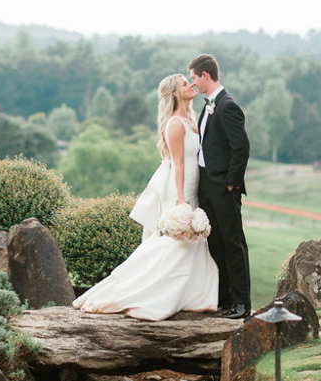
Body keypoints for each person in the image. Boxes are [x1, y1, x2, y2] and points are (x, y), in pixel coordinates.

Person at [72, 74, 218, 321]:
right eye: (185, 83)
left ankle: (191, 295)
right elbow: (178, 164)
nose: (190, 85)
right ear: (174, 93)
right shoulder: (175, 124)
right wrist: (181, 200)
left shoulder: (191, 120)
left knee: (188, 242)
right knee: (172, 242)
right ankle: (141, 292)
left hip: (194, 186)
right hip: (179, 187)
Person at [189, 53, 251, 319]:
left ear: (205, 75)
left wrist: (230, 185)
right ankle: (225, 298)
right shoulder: (208, 105)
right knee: (215, 244)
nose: (193, 83)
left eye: (193, 78)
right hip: (206, 188)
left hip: (223, 188)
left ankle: (241, 303)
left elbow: (241, 149)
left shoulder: (228, 106)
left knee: (233, 243)